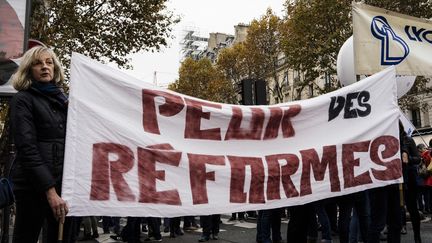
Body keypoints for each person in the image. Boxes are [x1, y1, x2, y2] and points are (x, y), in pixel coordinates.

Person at [10, 46, 73, 243]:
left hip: (65, 185)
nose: (45, 67)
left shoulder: (65, 101)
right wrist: (50, 190)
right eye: (38, 63)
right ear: (29, 70)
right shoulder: (23, 100)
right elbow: (28, 149)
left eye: (49, 62)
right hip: (33, 187)